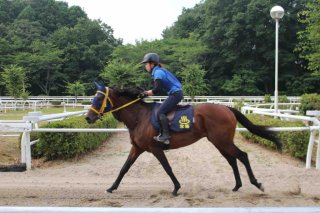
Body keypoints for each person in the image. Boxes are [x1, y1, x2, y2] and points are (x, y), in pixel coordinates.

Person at [140, 53, 183, 144]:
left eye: (146, 64)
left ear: (152, 64)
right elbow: (157, 89)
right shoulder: (159, 70)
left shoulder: (157, 72)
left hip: (175, 94)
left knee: (160, 112)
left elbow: (157, 89)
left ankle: (166, 136)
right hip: (175, 94)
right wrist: (149, 92)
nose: (145, 66)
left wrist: (147, 93)